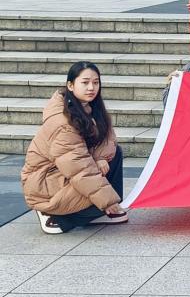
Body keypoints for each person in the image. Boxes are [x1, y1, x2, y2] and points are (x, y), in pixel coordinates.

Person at [21, 62, 127, 234]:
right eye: (85, 82)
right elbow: (79, 168)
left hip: (67, 171)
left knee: (115, 155)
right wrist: (108, 201)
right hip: (45, 182)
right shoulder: (62, 122)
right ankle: (53, 215)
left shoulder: (91, 107)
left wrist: (100, 157)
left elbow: (108, 138)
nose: (91, 87)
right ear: (70, 85)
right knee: (102, 193)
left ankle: (93, 212)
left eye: (96, 82)